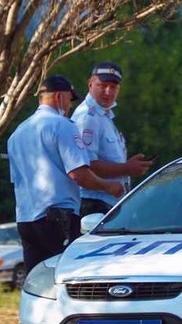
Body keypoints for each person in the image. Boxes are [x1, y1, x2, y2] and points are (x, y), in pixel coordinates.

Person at [7, 75, 125, 272]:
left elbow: (17, 180)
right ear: (60, 97)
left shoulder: (18, 133)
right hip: (57, 217)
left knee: (38, 281)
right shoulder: (63, 126)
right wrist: (109, 186)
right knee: (67, 276)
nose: (69, 106)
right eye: (70, 100)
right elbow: (79, 174)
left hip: (26, 219)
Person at [71, 62, 154, 216]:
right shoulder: (88, 117)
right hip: (94, 202)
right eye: (102, 85)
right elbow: (87, 165)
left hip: (107, 202)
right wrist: (127, 168)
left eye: (113, 87)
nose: (108, 92)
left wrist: (130, 166)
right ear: (90, 84)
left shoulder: (104, 115)